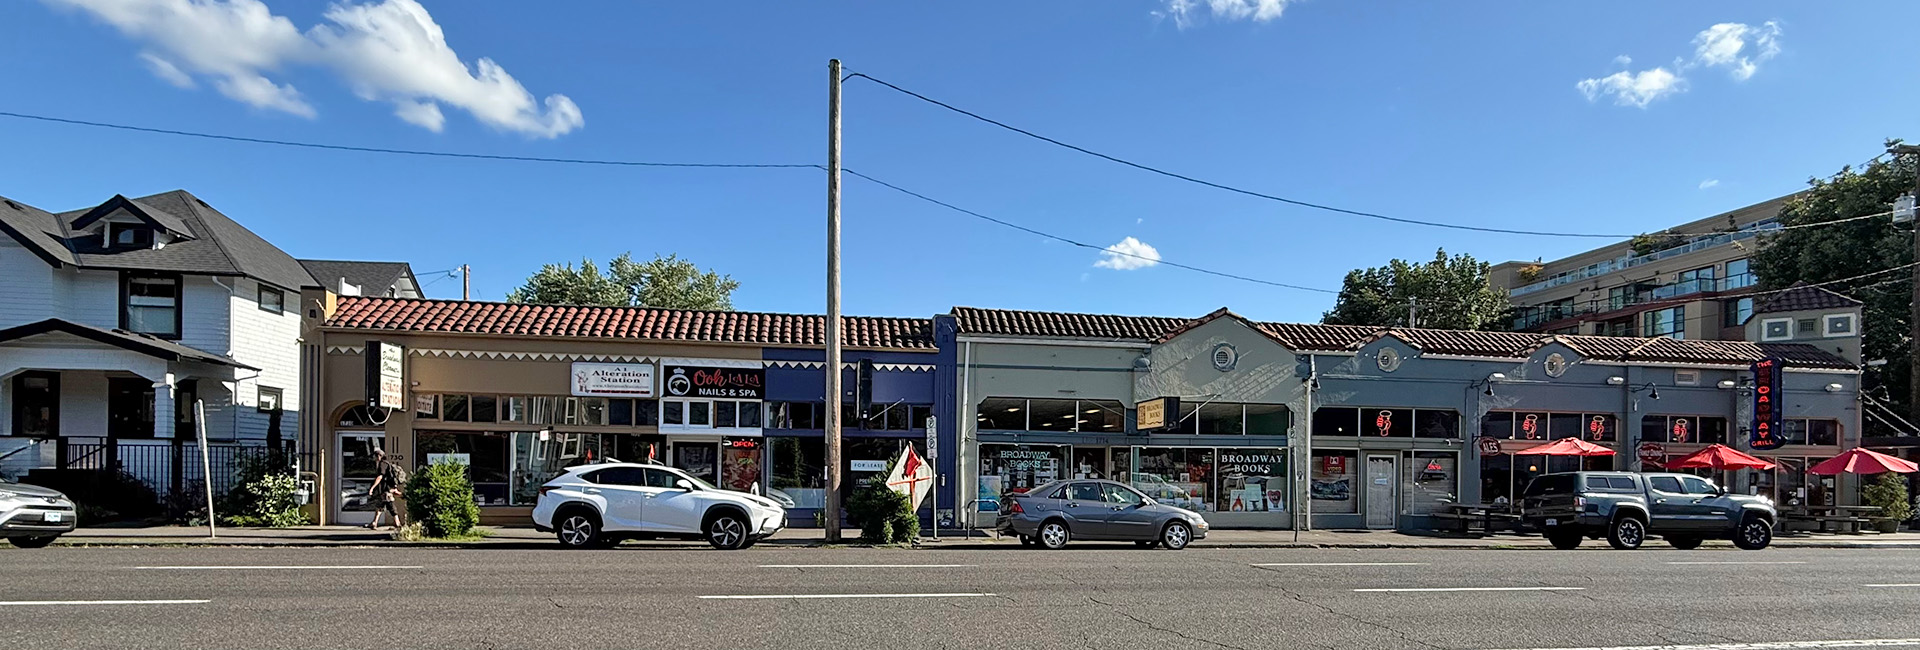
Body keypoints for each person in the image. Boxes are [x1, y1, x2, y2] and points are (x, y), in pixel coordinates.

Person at [365, 449, 403, 530]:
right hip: (386, 489)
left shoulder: (382, 464)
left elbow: (380, 477)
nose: (374, 458)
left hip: (386, 489)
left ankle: (397, 523)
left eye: (375, 456)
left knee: (390, 505)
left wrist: (372, 488)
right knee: (380, 505)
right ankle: (374, 523)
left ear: (379, 456)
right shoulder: (386, 464)